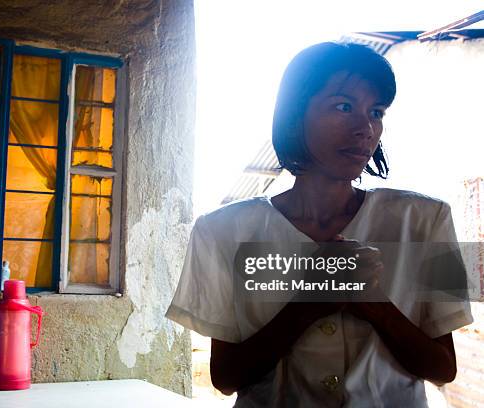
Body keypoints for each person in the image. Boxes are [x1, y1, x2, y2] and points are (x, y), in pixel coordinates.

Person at [165, 42, 473, 407]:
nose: (366, 128)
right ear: (296, 115)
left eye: (376, 111)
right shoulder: (221, 232)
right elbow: (226, 377)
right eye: (343, 107)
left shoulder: (429, 219)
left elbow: (443, 369)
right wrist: (309, 301)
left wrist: (374, 305)